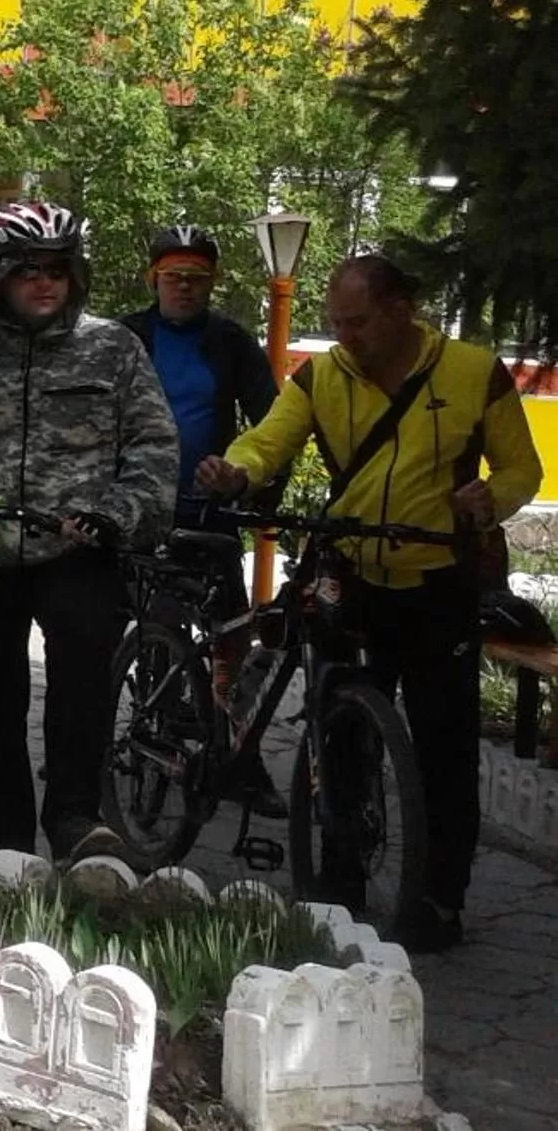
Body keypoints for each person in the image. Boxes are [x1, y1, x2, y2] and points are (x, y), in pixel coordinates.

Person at [198, 252, 543, 951]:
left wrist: (490, 498)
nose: (344, 337)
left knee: (444, 745)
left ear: (400, 310)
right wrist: (238, 470)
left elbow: (522, 469)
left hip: (438, 576)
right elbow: (270, 439)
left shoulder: (473, 372)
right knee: (340, 731)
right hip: (352, 570)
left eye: (356, 323)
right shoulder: (324, 376)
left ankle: (440, 899)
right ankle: (340, 879)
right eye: (336, 323)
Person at [0, 201, 177, 863]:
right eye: (27, 270)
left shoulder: (112, 348)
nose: (43, 283)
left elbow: (153, 445)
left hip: (77, 543)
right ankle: (7, 845)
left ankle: (75, 820)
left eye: (57, 271)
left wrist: (118, 513)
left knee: (81, 679)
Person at [123, 223, 281, 801]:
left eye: (197, 277)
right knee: (125, 626)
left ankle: (239, 755)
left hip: (209, 512)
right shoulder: (126, 337)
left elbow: (273, 425)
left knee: (231, 634)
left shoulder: (231, 342)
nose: (184, 287)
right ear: (154, 280)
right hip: (136, 508)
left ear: (212, 284)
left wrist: (253, 487)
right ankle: (108, 744)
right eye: (173, 276)